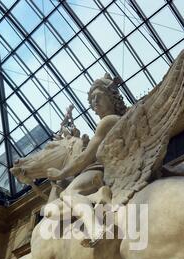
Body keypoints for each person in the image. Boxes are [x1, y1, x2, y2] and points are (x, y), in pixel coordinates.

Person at [46, 74, 127, 246]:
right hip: (105, 169)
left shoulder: (108, 121)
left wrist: (61, 173)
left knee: (68, 193)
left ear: (112, 98)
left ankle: (95, 229)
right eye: (91, 99)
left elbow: (85, 158)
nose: (94, 102)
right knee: (53, 210)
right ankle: (99, 195)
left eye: (99, 96)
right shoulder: (117, 122)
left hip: (99, 170)